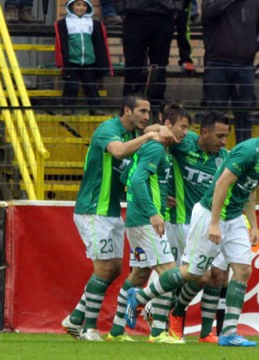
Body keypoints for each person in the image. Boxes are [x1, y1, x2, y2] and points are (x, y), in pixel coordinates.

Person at [125, 111, 259, 347]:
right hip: (209, 213)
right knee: (193, 273)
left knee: (242, 270)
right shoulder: (248, 151)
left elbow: (249, 190)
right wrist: (215, 222)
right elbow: (221, 183)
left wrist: (254, 225)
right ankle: (140, 296)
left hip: (234, 217)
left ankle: (228, 333)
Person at [61, 94, 174, 341]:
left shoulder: (133, 133)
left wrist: (159, 128)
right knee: (103, 268)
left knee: (114, 269)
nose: (146, 117)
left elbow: (153, 130)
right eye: (142, 111)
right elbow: (119, 152)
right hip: (93, 208)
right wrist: (149, 135)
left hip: (111, 209)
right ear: (126, 111)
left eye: (149, 112)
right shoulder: (108, 130)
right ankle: (89, 329)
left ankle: (75, 318)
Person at [106, 103, 190, 344]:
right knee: (171, 274)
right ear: (168, 125)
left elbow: (127, 176)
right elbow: (139, 181)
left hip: (137, 218)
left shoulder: (153, 147)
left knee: (139, 274)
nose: (184, 133)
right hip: (145, 221)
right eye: (182, 127)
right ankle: (158, 330)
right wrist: (154, 211)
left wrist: (162, 198)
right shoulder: (155, 148)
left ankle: (116, 330)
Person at [165, 109, 230, 343]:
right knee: (196, 276)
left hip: (212, 224)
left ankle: (206, 332)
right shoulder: (184, 143)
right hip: (182, 223)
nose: (223, 142)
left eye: (226, 137)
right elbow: (154, 133)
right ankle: (173, 316)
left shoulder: (226, 159)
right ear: (203, 134)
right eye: (219, 136)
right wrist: (162, 192)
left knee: (218, 276)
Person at [202, 0, 259, 144]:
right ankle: (213, 154)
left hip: (244, 66)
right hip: (217, 64)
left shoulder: (253, 3)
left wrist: (254, 45)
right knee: (216, 113)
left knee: (244, 114)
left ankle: (243, 154)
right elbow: (208, 14)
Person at [54, 0, 113, 116]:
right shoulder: (65, 23)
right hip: (73, 61)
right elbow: (62, 45)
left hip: (89, 62)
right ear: (71, 6)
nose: (81, 8)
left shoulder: (92, 23)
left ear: (88, 7)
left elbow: (99, 44)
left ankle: (95, 108)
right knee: (71, 86)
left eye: (84, 5)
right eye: (78, 4)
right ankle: (68, 108)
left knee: (91, 86)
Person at [118, 0, 176, 107]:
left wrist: (175, 9)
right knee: (133, 61)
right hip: (134, 15)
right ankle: (131, 102)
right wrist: (121, 9)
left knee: (160, 63)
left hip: (164, 15)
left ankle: (156, 103)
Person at [176, 0, 197, 75]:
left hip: (184, 4)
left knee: (183, 30)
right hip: (163, 6)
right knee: (164, 31)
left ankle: (186, 60)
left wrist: (193, 12)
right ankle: (159, 62)